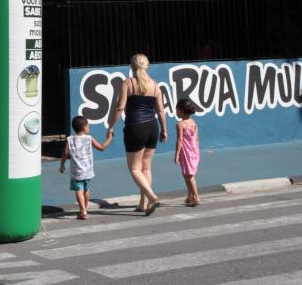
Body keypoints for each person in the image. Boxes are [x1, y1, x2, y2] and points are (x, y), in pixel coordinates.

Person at [106, 53, 167, 215]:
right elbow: (160, 110)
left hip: (135, 127)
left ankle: (151, 196)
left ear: (131, 66)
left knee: (134, 169)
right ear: (147, 66)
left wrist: (111, 126)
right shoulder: (155, 85)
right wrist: (164, 130)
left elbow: (120, 108)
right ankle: (143, 203)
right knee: (146, 168)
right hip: (152, 127)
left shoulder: (128, 83)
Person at [59, 115, 112, 220]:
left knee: (78, 190)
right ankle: (85, 210)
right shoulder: (89, 138)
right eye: (88, 126)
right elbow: (101, 148)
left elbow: (65, 154)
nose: (89, 128)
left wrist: (62, 165)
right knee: (86, 190)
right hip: (88, 171)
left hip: (76, 172)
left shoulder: (69, 139)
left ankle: (82, 211)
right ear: (84, 127)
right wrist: (109, 138)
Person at [174, 98, 202, 206]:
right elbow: (196, 139)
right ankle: (190, 196)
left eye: (177, 110)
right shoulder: (193, 123)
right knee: (186, 174)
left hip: (186, 153)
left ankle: (196, 196)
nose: (176, 112)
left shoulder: (180, 124)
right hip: (194, 151)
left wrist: (176, 154)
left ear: (181, 111)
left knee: (189, 176)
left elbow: (180, 140)